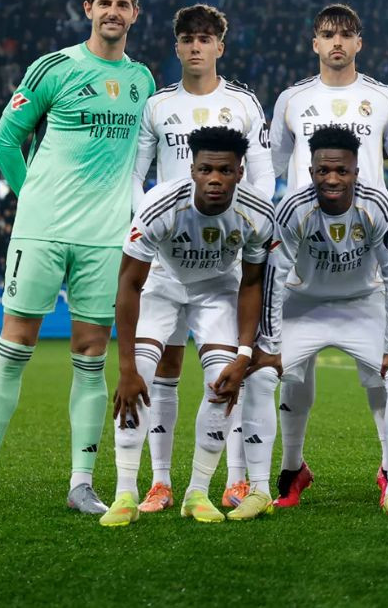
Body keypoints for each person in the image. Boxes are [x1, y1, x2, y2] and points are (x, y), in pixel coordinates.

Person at [0, 0, 156, 518]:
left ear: (134, 14)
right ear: (87, 8)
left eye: (123, 4)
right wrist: (33, 199)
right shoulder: (55, 67)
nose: (113, 12)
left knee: (91, 355)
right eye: (105, 3)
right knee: (15, 345)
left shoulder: (142, 81)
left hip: (104, 238)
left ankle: (81, 483)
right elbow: (4, 142)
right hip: (42, 231)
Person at [268, 4, 388, 508]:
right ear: (314, 43)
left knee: (383, 375)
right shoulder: (292, 99)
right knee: (289, 375)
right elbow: (264, 173)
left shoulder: (382, 99)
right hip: (302, 265)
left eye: (345, 34)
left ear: (359, 42)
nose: (336, 42)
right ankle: (291, 470)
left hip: (366, 263)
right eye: (327, 34)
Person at [130, 3, 274, 514]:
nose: (196, 46)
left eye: (205, 38)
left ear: (220, 47)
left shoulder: (243, 103)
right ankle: (160, 482)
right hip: (168, 249)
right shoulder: (158, 104)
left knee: (229, 368)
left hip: (226, 254)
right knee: (165, 366)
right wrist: (148, 225)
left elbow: (263, 176)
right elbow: (136, 175)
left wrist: (245, 225)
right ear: (177, 47)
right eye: (188, 39)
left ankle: (235, 479)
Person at [242, 126, 388, 519]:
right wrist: (268, 345)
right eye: (323, 171)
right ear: (311, 171)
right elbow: (274, 276)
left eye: (341, 170)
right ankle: (263, 487)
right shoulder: (293, 207)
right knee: (261, 375)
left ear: (356, 171)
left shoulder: (378, 205)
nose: (332, 179)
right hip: (304, 305)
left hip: (362, 305)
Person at [99, 126, 272, 526]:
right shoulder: (160, 204)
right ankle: (125, 493)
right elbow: (129, 284)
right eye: (206, 169)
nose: (215, 179)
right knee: (140, 374)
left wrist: (244, 354)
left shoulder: (257, 213)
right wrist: (125, 367)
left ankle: (198, 492)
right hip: (162, 285)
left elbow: (251, 283)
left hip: (217, 290)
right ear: (192, 170)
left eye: (225, 170)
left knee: (222, 382)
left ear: (240, 172)